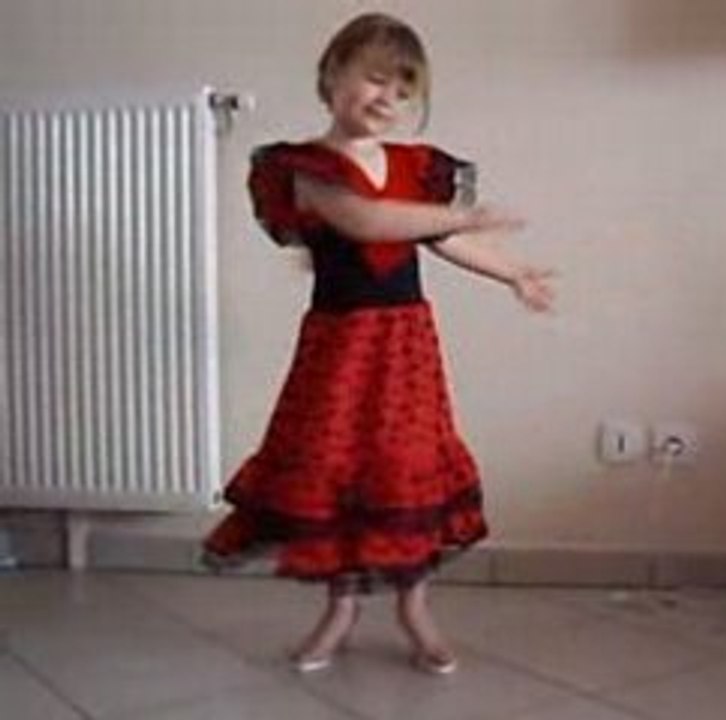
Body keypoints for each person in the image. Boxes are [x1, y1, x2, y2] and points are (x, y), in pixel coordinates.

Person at [202, 12, 554, 676]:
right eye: (374, 78)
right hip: (341, 345)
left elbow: (441, 239)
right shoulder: (306, 167)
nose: (387, 98)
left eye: (403, 89)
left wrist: (513, 273)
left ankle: (415, 610)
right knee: (337, 468)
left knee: (405, 465)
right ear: (332, 74)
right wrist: (462, 213)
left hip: (405, 346)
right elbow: (368, 220)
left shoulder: (417, 168)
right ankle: (339, 612)